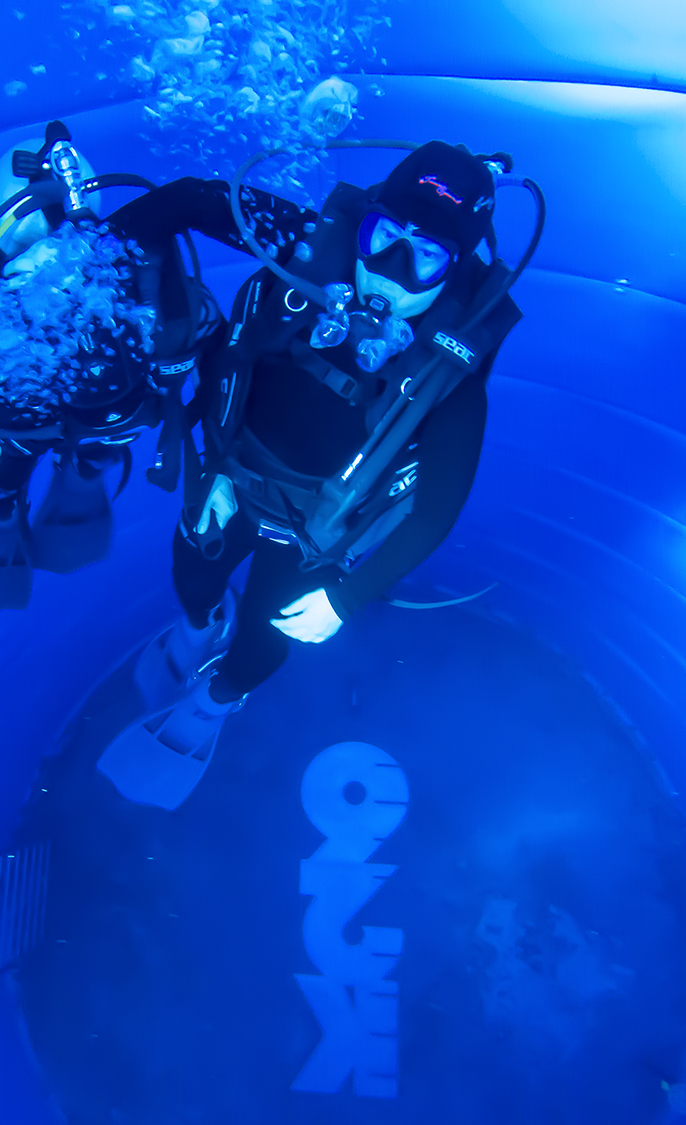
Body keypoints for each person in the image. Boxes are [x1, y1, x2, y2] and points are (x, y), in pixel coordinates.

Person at [99, 141, 535, 809]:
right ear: (364, 223)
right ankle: (197, 628)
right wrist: (93, 265)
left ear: (454, 271)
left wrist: (345, 599)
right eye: (384, 237)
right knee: (191, 574)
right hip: (233, 477)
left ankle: (215, 699)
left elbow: (437, 509)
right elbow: (185, 200)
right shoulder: (307, 250)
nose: (389, 272)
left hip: (316, 532)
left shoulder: (451, 378)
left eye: (425, 257)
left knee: (265, 639)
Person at [0, 121, 308, 610]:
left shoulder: (135, 278)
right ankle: (3, 501)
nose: (44, 286)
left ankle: (80, 472)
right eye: (19, 265)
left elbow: (192, 201)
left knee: (100, 438)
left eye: (62, 261)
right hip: (19, 436)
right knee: (1, 463)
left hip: (113, 422)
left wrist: (333, 246)